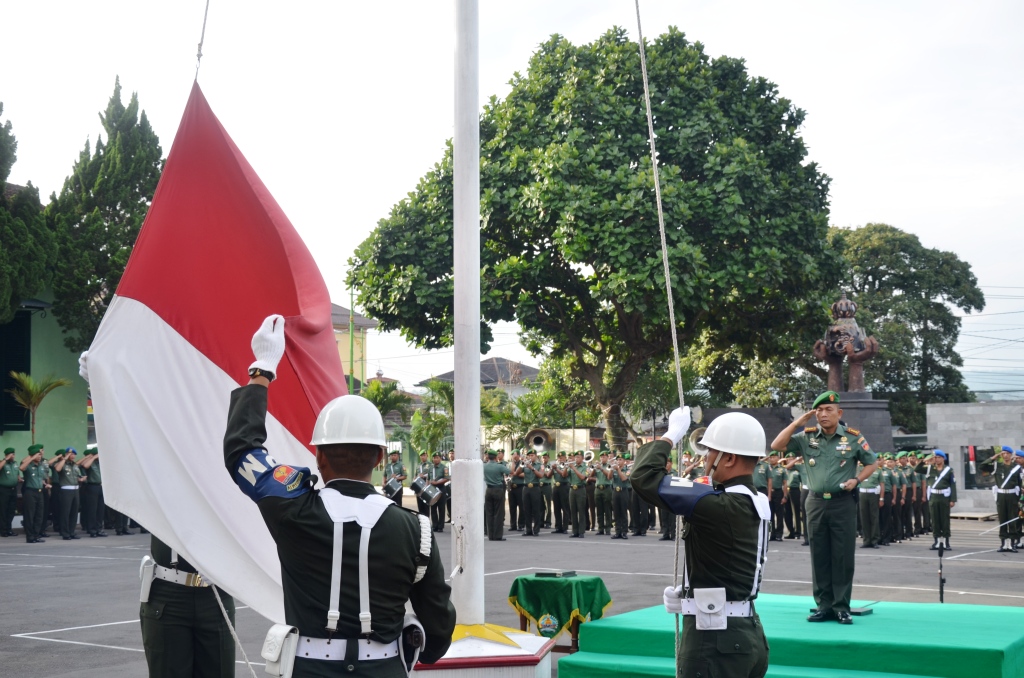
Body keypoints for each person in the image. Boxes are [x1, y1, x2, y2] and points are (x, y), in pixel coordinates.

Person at [224, 315, 455, 676]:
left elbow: (242, 451)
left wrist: (262, 370)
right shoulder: (417, 530)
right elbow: (437, 637)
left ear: (318, 456)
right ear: (380, 458)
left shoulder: (292, 507)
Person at [632, 407, 770, 678]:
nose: (705, 459)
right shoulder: (755, 499)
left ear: (728, 458)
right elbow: (720, 559)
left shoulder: (719, 504)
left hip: (715, 641)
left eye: (710, 452)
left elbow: (643, 477)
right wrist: (689, 596)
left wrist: (671, 435)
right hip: (744, 631)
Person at [772, 391, 878, 625]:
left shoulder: (852, 437)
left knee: (842, 556)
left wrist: (857, 480)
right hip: (816, 501)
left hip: (843, 502)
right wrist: (798, 422)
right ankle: (823, 606)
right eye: (818, 411)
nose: (822, 414)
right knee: (818, 555)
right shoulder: (806, 436)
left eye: (828, 410)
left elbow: (872, 462)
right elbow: (776, 445)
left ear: (839, 413)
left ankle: (841, 606)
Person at [140, 534, 237, 677]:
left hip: (214, 594)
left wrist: (227, 566)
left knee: (219, 671)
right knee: (166, 671)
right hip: (169, 592)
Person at [916, 450, 956, 551]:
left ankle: (946, 542)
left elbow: (953, 485)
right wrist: (925, 460)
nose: (936, 459)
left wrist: (953, 499)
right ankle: (937, 542)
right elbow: (917, 469)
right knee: (934, 520)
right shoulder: (930, 468)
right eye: (935, 457)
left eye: (938, 457)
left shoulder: (949, 470)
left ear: (943, 458)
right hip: (933, 497)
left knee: (945, 520)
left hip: (944, 497)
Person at [988, 446, 1021, 552]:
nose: (1005, 455)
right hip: (1001, 496)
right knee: (1002, 519)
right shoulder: (997, 466)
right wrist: (993, 457)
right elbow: (983, 467)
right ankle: (1003, 543)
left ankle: (1012, 544)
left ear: (1011, 455)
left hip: (1012, 496)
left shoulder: (1016, 467)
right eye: (1003, 453)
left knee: (1012, 519)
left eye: (1007, 453)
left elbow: (1020, 484)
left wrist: (1020, 499)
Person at [54, 447, 85, 540]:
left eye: (74, 454)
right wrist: (64, 458)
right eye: (70, 454)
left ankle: (72, 531)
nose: (72, 456)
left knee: (74, 512)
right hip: (66, 490)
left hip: (75, 490)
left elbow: (78, 477)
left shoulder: (75, 466)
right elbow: (57, 469)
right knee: (65, 512)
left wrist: (81, 479)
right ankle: (65, 533)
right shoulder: (62, 464)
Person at [20, 445, 47, 543]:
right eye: (37, 455)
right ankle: (30, 536)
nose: (39, 456)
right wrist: (31, 458)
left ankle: (36, 535)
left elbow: (40, 478)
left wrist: (45, 484)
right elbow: (22, 467)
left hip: (40, 492)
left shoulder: (40, 466)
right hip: (30, 492)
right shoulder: (29, 465)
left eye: (40, 454)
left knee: (39, 515)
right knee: (30, 515)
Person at [78, 449, 107, 537]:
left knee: (100, 509)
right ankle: (92, 530)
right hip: (92, 487)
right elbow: (85, 465)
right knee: (92, 509)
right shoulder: (91, 462)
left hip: (101, 487)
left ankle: (99, 529)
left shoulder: (101, 463)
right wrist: (93, 457)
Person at [516, 450, 545, 536]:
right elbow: (517, 473)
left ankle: (536, 530)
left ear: (536, 456)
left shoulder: (540, 465)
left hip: (535, 488)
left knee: (536, 510)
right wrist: (521, 465)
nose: (530, 457)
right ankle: (528, 530)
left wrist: (532, 468)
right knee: (526, 510)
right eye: (529, 456)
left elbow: (541, 475)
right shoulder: (524, 464)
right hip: (526, 488)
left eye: (532, 455)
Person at [483, 450, 509, 541]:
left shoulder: (484, 466)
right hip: (498, 489)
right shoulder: (499, 466)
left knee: (489, 513)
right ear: (496, 457)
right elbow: (510, 472)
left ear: (488, 457)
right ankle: (497, 535)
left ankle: (490, 535)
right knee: (498, 513)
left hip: (488, 490)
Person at [857, 460, 882, 549]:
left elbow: (882, 485)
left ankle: (875, 540)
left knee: (874, 517)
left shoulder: (878, 471)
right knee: (864, 517)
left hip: (873, 494)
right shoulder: (859, 469)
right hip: (862, 494)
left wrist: (881, 498)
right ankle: (866, 540)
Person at [567, 451, 588, 538]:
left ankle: (581, 531)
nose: (576, 459)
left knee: (581, 511)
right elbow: (564, 475)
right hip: (572, 489)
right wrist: (566, 467)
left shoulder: (586, 468)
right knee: (573, 511)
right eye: (575, 457)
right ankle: (574, 531)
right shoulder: (572, 466)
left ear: (582, 458)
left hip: (580, 489)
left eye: (578, 457)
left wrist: (574, 469)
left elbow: (583, 477)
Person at [611, 452, 631, 539]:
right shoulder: (614, 469)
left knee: (623, 512)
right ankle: (617, 531)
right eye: (617, 460)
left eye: (620, 460)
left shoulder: (628, 470)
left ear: (624, 461)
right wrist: (611, 469)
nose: (618, 461)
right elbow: (608, 477)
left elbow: (624, 479)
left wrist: (618, 470)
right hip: (615, 491)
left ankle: (624, 532)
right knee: (616, 512)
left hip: (623, 491)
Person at [427, 452, 449, 532]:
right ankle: (434, 525)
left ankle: (440, 526)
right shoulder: (430, 468)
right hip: (432, 489)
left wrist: (437, 483)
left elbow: (447, 478)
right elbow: (428, 479)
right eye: (434, 458)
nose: (436, 459)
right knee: (433, 508)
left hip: (441, 489)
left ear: (440, 458)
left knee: (441, 508)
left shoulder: (444, 468)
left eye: (437, 457)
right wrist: (427, 487)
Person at [767, 452, 786, 541]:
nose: (771, 459)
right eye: (770, 457)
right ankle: (772, 534)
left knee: (779, 514)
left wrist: (785, 496)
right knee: (770, 515)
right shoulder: (767, 468)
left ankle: (779, 534)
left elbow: (785, 484)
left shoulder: (782, 469)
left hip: (778, 492)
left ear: (778, 458)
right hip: (769, 492)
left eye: (773, 457)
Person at [0, 448, 19, 536]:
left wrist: (19, 479)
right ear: (6, 455)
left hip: (13, 489)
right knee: (3, 510)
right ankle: (3, 530)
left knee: (11, 510)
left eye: (13, 454)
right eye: (10, 454)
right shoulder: (3, 463)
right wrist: (5, 459)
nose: (12, 456)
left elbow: (17, 474)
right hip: (4, 490)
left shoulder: (15, 464)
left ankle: (9, 529)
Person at [594, 452, 613, 536]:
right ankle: (600, 528)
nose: (602, 459)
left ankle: (608, 528)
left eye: (604, 457)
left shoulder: (609, 466)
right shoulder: (598, 466)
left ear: (607, 458)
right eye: (601, 457)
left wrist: (601, 468)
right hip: (598, 489)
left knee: (607, 510)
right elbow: (590, 475)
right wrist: (594, 468)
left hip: (607, 489)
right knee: (599, 510)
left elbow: (609, 476)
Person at [551, 452, 570, 534]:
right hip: (556, 487)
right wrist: (552, 468)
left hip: (564, 486)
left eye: (562, 457)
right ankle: (558, 527)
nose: (560, 459)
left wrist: (556, 469)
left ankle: (565, 527)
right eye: (559, 457)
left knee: (565, 508)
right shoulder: (556, 465)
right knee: (556, 508)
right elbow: (548, 475)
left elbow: (564, 475)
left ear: (565, 458)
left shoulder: (568, 465)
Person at [508, 450, 525, 531]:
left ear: (518, 455)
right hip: (512, 487)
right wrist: (513, 463)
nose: (513, 456)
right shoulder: (510, 463)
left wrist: (516, 473)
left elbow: (524, 474)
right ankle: (513, 525)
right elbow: (510, 472)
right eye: (512, 455)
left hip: (520, 486)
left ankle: (521, 524)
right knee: (512, 507)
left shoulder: (522, 463)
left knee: (522, 507)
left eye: (514, 455)